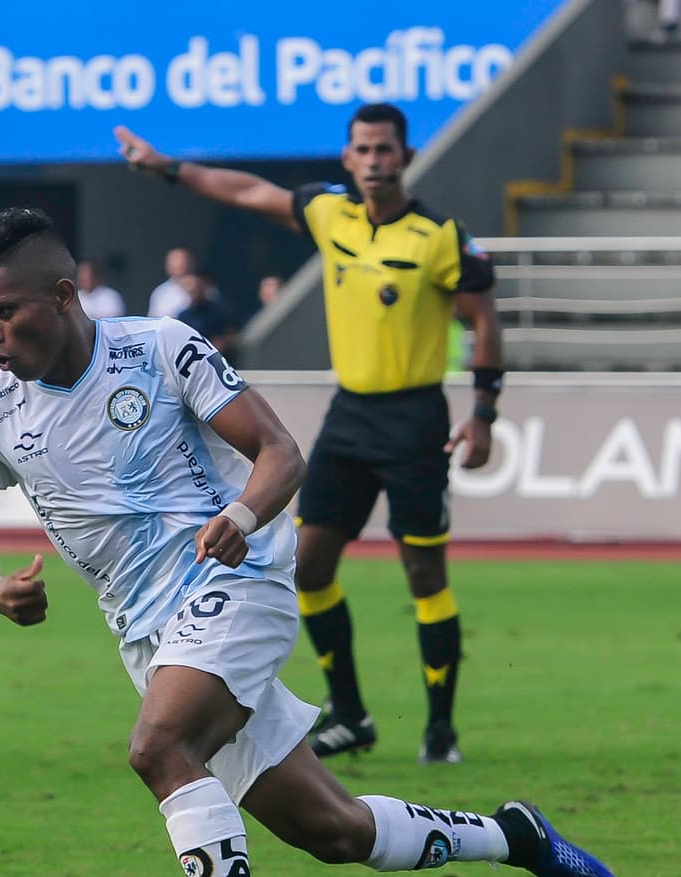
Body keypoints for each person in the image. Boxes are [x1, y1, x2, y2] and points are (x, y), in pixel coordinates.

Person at [0, 205, 621, 877]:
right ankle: (516, 837)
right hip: (149, 633)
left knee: (159, 747)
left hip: (237, 578)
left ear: (65, 295)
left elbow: (278, 451)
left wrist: (240, 515)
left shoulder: (159, 349)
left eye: (4, 311)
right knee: (334, 831)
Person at [115, 103, 505, 765]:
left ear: (406, 157)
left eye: (385, 149)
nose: (374, 161)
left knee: (423, 572)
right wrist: (169, 169)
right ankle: (351, 714)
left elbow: (483, 318)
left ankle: (440, 730)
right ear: (347, 158)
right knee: (310, 565)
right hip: (350, 415)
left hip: (416, 419)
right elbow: (247, 191)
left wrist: (484, 411)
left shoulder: (438, 236)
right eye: (363, 150)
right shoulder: (330, 214)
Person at [176, 266, 237, 356]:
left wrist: (222, 343)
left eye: (197, 289)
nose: (194, 293)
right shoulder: (183, 316)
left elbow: (231, 332)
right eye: (192, 291)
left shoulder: (220, 311)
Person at [147, 245, 194, 317]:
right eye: (175, 259)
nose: (179, 263)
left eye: (184, 259)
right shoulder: (160, 291)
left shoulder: (204, 290)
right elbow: (153, 318)